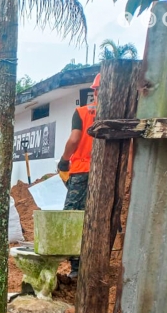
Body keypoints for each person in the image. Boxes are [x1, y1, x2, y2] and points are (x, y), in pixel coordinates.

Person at [57, 72, 100, 279]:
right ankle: (94, 262)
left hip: (82, 170)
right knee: (98, 215)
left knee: (73, 215)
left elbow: (74, 139)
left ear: (95, 91)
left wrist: (65, 160)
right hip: (106, 173)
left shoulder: (82, 111)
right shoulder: (118, 113)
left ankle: (76, 267)